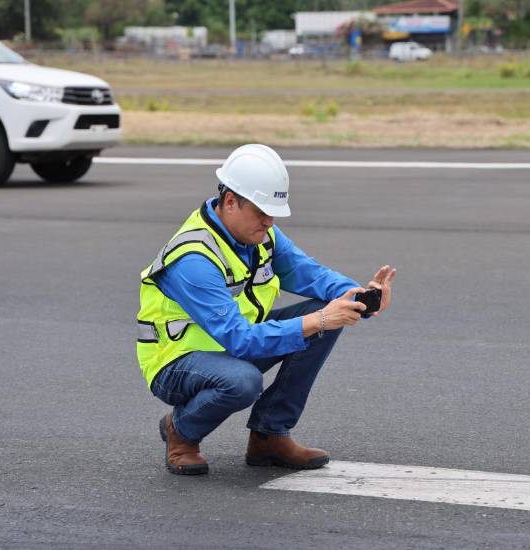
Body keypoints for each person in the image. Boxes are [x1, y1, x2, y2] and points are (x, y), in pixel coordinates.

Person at [136, 144, 396, 476]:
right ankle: (181, 431)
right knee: (245, 380)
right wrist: (318, 320)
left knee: (324, 313)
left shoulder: (261, 234)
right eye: (261, 212)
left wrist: (360, 297)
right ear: (230, 201)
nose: (269, 221)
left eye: (273, 212)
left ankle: (269, 435)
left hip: (226, 348)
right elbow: (240, 340)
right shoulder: (193, 259)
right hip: (176, 362)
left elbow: (310, 274)